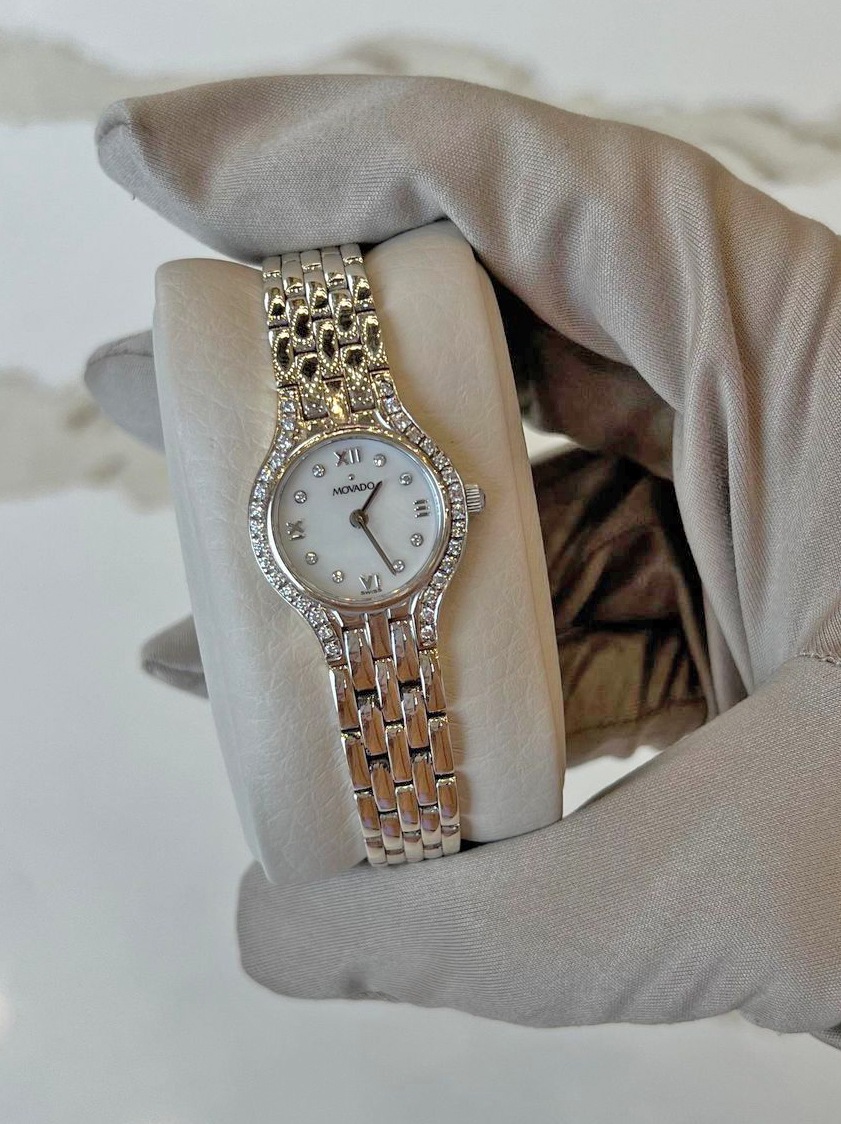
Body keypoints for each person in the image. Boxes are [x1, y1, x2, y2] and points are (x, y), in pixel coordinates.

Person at [86, 74, 841, 1048]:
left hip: (397, 564)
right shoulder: (304, 543)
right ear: (278, 537)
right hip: (354, 603)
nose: (362, 507)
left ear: (448, 487)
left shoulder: (423, 506)